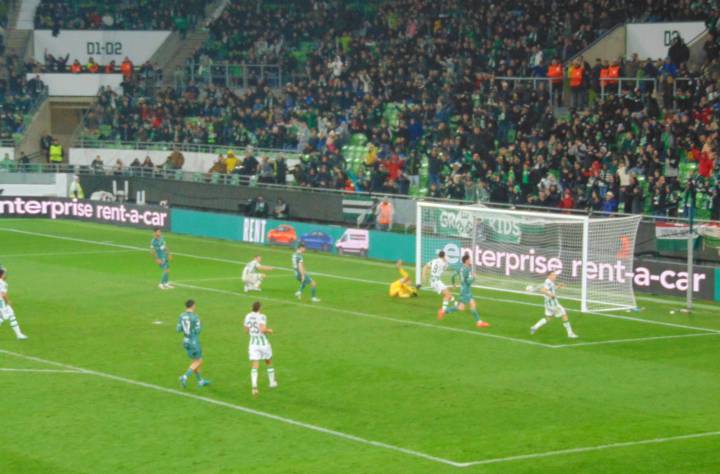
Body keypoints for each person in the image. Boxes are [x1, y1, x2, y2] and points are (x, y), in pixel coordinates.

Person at [529, 271, 578, 339]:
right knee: (564, 314)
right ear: (549, 276)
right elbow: (543, 290)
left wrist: (559, 286)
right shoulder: (548, 282)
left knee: (549, 318)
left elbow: (552, 289)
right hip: (553, 304)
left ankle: (534, 327)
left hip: (548, 304)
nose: (555, 276)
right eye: (553, 275)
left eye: (555, 275)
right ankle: (570, 334)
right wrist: (551, 295)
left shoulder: (550, 282)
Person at [243, 301, 277, 397]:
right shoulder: (262, 316)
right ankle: (272, 382)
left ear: (252, 307)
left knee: (255, 364)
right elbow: (262, 329)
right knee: (268, 361)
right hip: (263, 343)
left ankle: (254, 387)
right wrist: (269, 330)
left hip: (253, 344)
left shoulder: (247, 316)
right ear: (260, 308)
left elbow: (246, 331)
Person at [447, 254, 490, 328]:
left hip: (464, 290)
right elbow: (468, 282)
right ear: (466, 260)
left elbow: (452, 276)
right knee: (462, 307)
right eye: (469, 259)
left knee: (470, 305)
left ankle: (479, 322)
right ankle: (445, 311)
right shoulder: (467, 269)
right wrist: (474, 277)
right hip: (466, 291)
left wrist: (453, 284)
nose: (470, 260)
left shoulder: (460, 268)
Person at [177, 299, 210, 388]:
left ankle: (200, 381)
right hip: (193, 342)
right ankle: (184, 376)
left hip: (185, 341)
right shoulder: (195, 317)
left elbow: (178, 329)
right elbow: (198, 330)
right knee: (198, 361)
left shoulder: (181, 316)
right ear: (193, 306)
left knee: (195, 361)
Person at [422, 250, 458, 319]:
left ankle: (455, 303)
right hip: (436, 281)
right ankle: (442, 311)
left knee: (447, 293)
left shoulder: (434, 261)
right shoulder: (444, 264)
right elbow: (445, 266)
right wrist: (445, 260)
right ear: (444, 256)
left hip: (433, 280)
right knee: (447, 295)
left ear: (438, 256)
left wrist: (424, 275)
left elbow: (425, 266)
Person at [0, 267, 28, 340]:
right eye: (5, 273)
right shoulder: (2, 283)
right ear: (2, 274)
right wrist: (8, 302)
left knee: (11, 315)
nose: (6, 275)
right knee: (3, 317)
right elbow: (3, 294)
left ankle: (19, 334)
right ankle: (19, 335)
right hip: (1, 303)